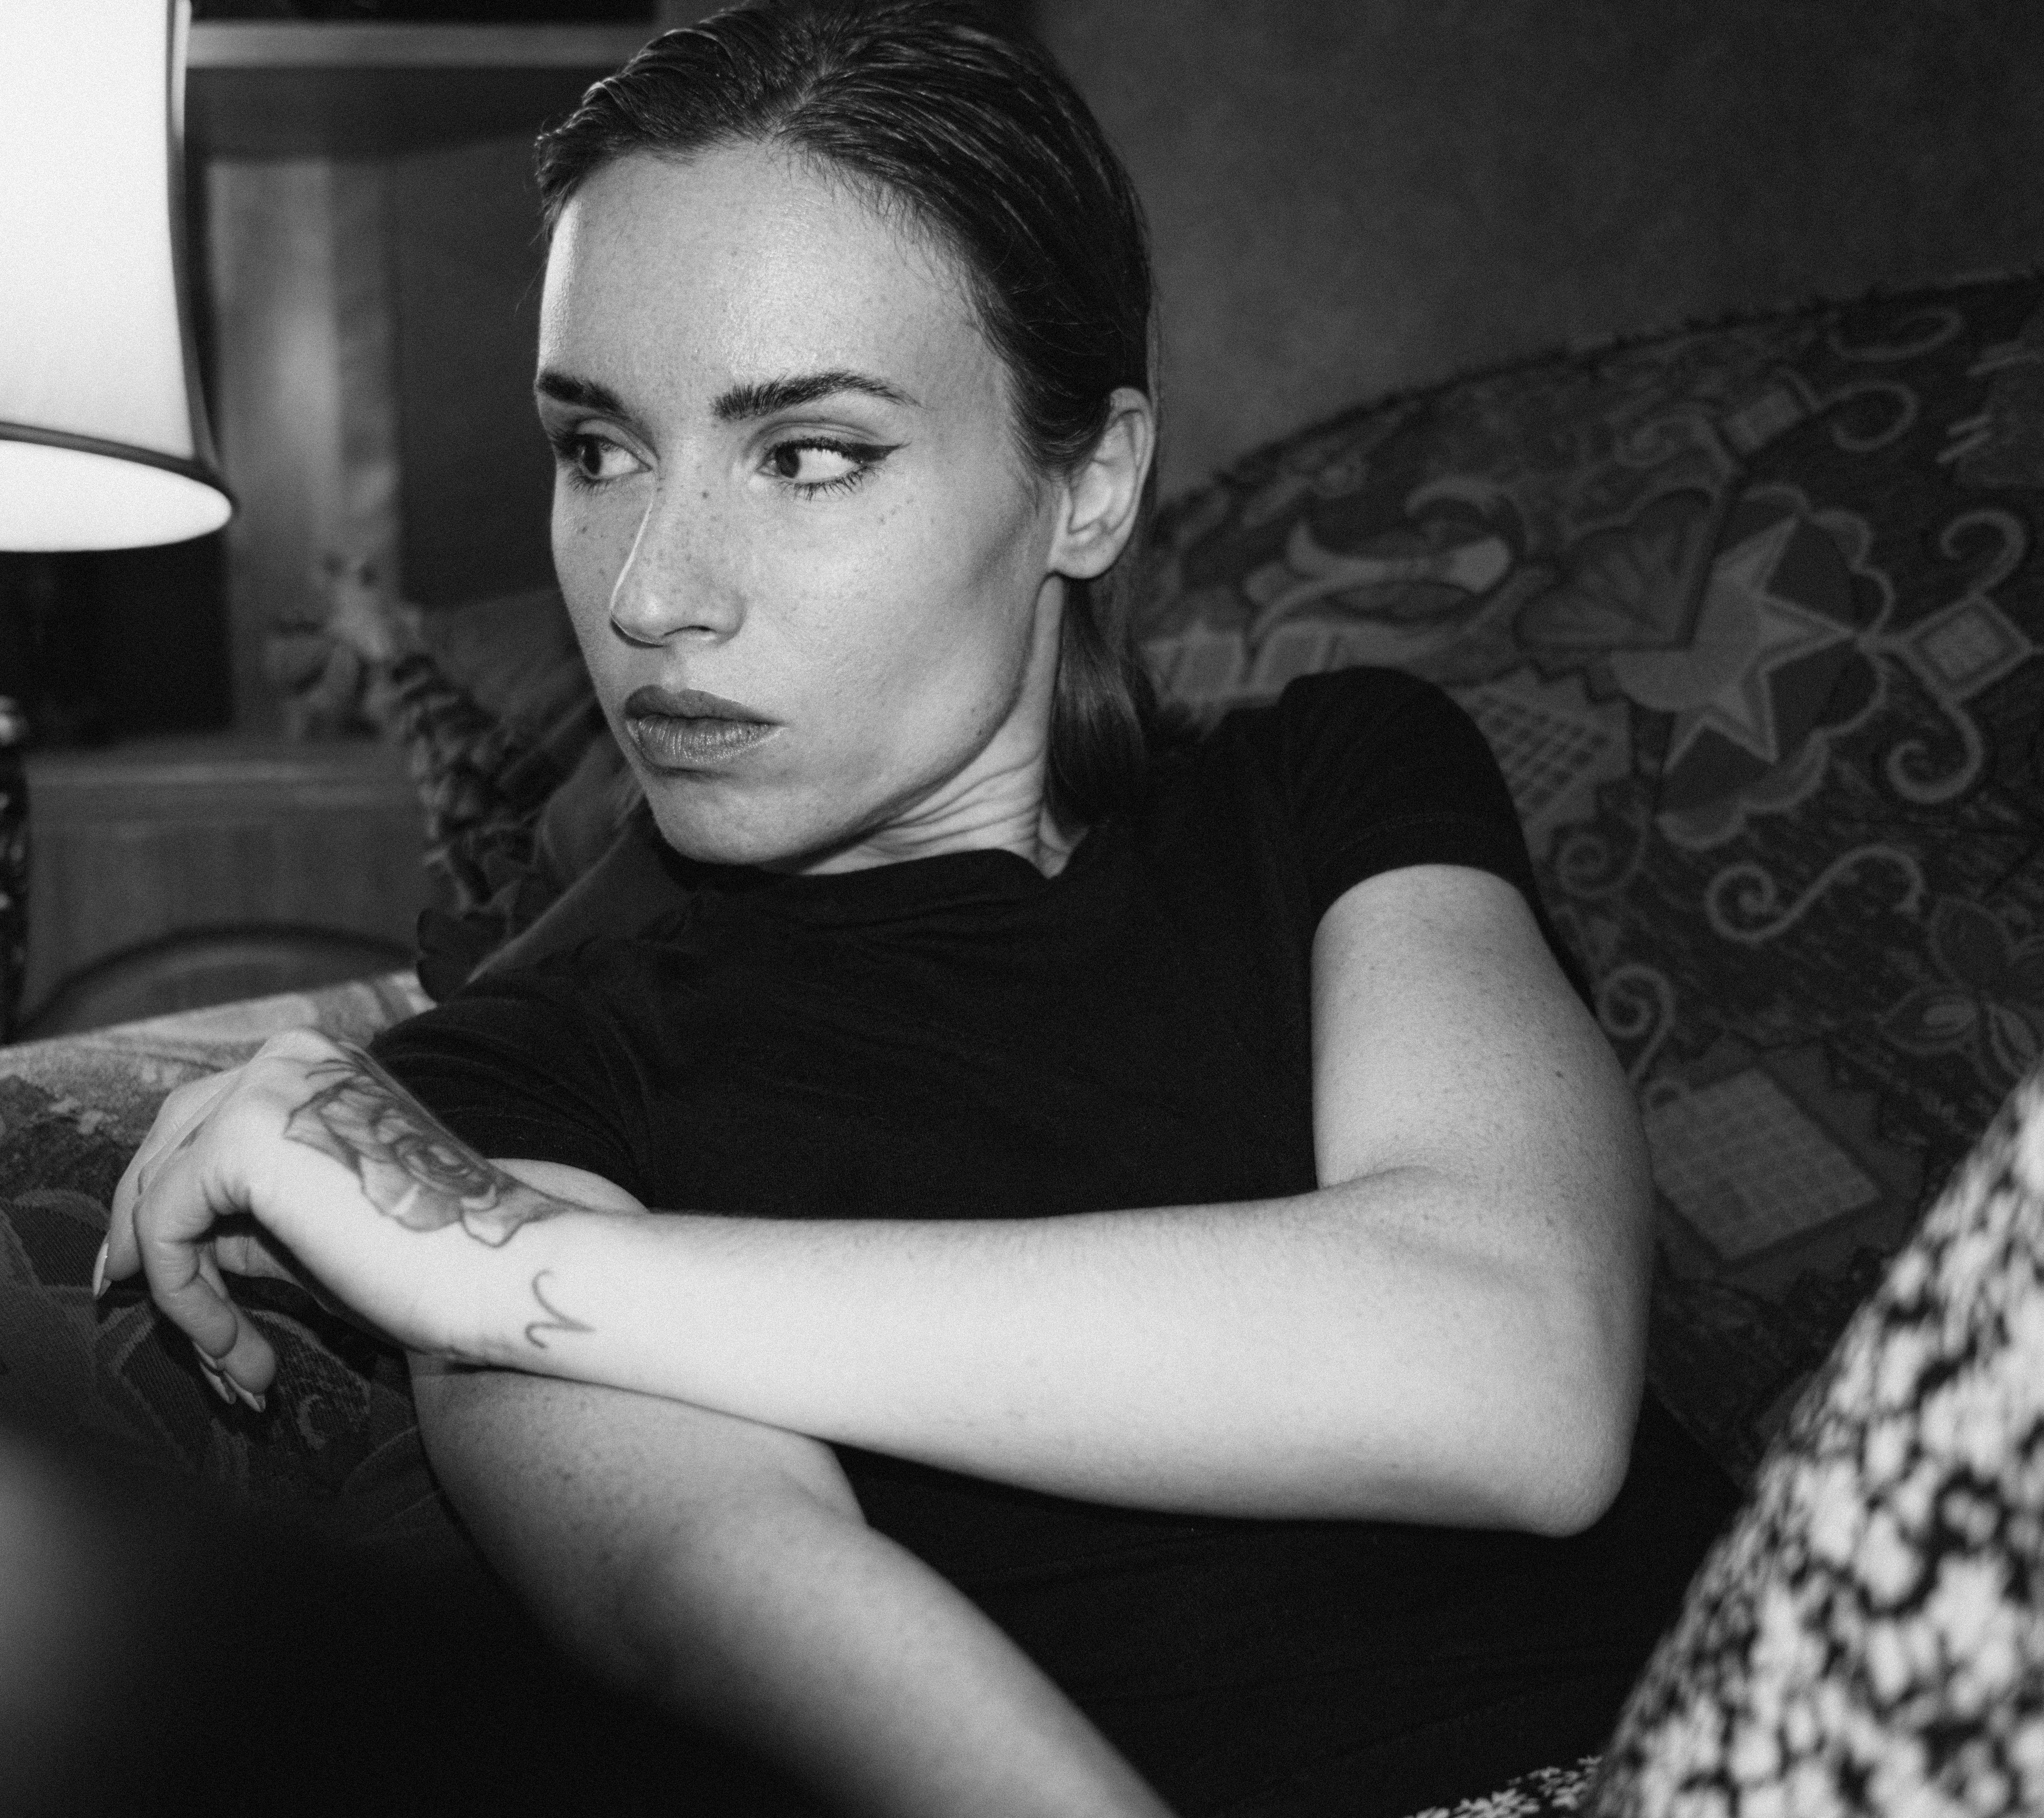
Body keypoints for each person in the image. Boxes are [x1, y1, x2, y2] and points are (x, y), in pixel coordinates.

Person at [101, 5, 1736, 1813]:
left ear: (1090, 483)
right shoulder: (530, 1083)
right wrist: (468, 1222)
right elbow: (707, 1597)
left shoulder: (1336, 784)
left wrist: (481, 1262)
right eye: (598, 450)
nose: (652, 592)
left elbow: (1518, 1370)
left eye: (807, 454)